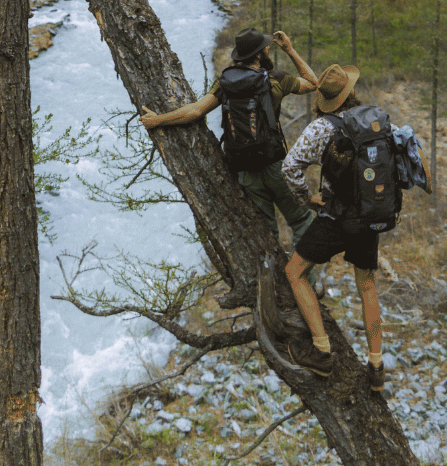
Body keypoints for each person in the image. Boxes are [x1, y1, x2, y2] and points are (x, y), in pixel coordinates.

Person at [281, 62, 429, 386]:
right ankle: (376, 366)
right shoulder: (373, 120)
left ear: (325, 101)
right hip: (369, 219)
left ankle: (322, 350)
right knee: (367, 286)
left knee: (295, 272)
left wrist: (306, 200)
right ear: (350, 92)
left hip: (336, 218)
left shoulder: (320, 129)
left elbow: (290, 168)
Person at [140, 28, 319, 267]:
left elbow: (195, 111)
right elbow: (312, 83)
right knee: (301, 222)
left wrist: (157, 120)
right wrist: (290, 49)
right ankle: (302, 282)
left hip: (245, 172)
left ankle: (274, 281)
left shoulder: (224, 83)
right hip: (276, 165)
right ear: (262, 52)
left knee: (268, 234)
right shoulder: (276, 78)